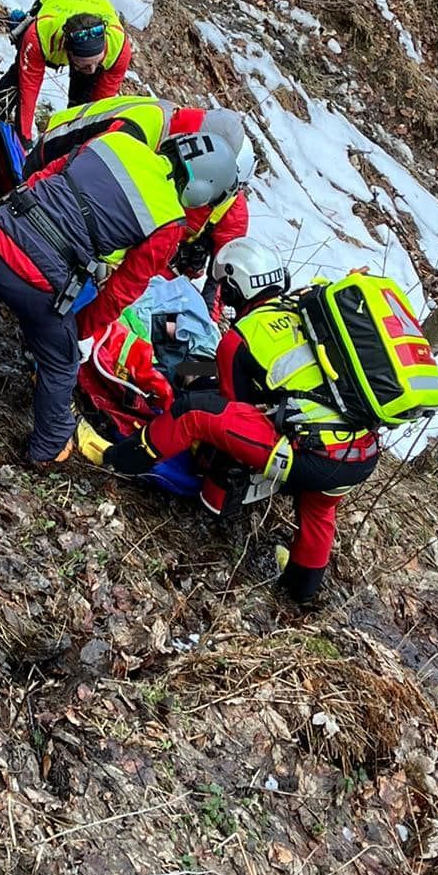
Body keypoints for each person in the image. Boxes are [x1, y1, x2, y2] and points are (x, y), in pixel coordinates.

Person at [0, 127, 238, 466]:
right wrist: (77, 330)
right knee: (61, 362)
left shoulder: (118, 142)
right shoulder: (170, 221)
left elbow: (46, 175)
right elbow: (121, 292)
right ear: (203, 190)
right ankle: (49, 446)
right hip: (36, 281)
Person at [85, 237, 379, 604]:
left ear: (236, 286)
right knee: (319, 510)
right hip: (357, 451)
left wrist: (187, 383)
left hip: (310, 452)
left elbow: (229, 406)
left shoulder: (242, 337)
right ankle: (301, 592)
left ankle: (115, 460)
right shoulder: (305, 305)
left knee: (193, 413)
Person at [24, 97, 254, 279]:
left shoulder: (176, 134)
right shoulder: (142, 130)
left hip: (61, 175)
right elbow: (76, 177)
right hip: (49, 153)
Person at [0, 0, 132, 173]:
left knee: (82, 106)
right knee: (14, 85)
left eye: (96, 64)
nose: (91, 70)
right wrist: (24, 141)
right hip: (58, 3)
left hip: (95, 5)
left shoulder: (119, 51)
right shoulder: (40, 35)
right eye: (84, 65)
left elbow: (99, 108)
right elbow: (28, 92)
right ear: (66, 51)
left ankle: (59, 161)